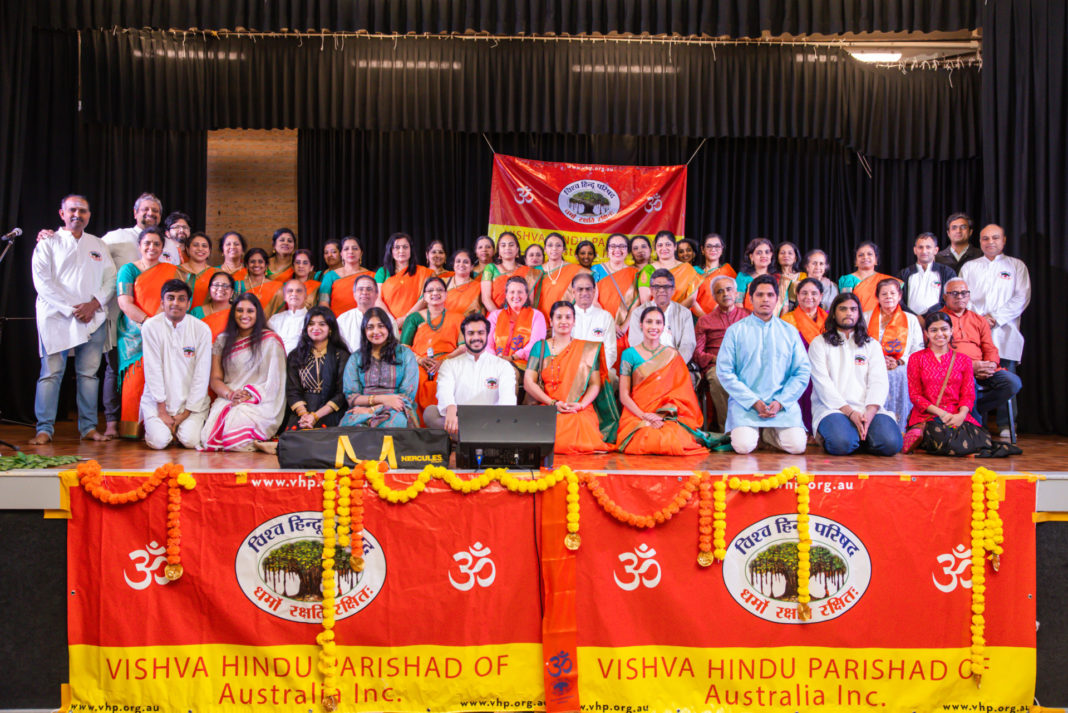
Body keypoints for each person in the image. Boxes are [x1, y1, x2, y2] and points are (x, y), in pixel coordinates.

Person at [29, 195, 115, 444]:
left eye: (83, 210)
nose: (78, 214)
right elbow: (42, 283)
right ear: (62, 214)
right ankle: (44, 429)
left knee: (89, 375)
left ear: (89, 215)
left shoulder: (98, 244)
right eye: (73, 210)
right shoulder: (48, 242)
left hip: (93, 318)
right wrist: (72, 309)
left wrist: (94, 304)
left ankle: (88, 428)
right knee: (51, 373)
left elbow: (111, 279)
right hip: (56, 318)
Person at [716, 275, 810, 455]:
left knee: (797, 446)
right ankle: (760, 433)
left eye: (770, 295)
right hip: (747, 405)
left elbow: (802, 371)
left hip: (781, 405)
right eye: (759, 295)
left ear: (777, 299)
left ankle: (767, 435)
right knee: (743, 446)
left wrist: (781, 401)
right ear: (750, 299)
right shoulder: (736, 331)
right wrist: (753, 401)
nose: (765, 299)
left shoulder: (789, 331)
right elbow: (725, 371)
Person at [808, 293, 901, 456]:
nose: (848, 313)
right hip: (833, 409)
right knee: (841, 444)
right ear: (834, 313)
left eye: (853, 309)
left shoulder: (871, 345)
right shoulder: (819, 343)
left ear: (859, 314)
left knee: (891, 444)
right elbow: (823, 385)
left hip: (867, 409)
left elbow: (879, 382)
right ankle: (855, 437)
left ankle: (860, 435)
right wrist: (850, 413)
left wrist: (869, 413)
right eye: (842, 309)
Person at [525, 302, 617, 454]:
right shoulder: (540, 347)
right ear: (551, 321)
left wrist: (581, 405)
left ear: (574, 321)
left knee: (580, 427)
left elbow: (595, 384)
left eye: (568, 317)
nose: (563, 321)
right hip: (548, 407)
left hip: (578, 409)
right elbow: (529, 382)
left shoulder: (587, 349)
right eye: (559, 317)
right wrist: (552, 403)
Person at [115, 226, 182, 438]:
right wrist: (148, 324)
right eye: (147, 243)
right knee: (135, 381)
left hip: (165, 332)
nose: (152, 247)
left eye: (157, 244)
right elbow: (124, 302)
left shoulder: (170, 271)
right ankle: (131, 429)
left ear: (163, 247)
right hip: (135, 334)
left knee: (164, 380)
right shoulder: (128, 270)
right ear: (139, 246)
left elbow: (175, 300)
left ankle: (160, 427)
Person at [200, 294, 288, 451]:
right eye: (240, 310)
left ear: (258, 314)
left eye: (250, 311)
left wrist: (251, 395)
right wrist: (231, 394)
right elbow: (215, 379)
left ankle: (259, 443)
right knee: (207, 439)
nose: (244, 315)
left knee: (233, 439)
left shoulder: (270, 341)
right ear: (233, 313)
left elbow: (276, 382)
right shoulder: (223, 340)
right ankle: (259, 443)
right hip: (229, 397)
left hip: (261, 400)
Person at [934, 278, 1022, 433]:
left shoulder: (978, 319)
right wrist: (968, 366)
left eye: (964, 293)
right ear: (945, 297)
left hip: (982, 367)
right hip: (953, 369)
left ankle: (975, 410)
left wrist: (991, 365)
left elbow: (990, 347)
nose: (960, 297)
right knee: (969, 382)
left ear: (969, 296)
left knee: (1012, 382)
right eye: (954, 293)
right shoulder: (937, 319)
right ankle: (976, 429)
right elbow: (938, 351)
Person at [616, 306, 707, 455]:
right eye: (649, 322)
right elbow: (624, 396)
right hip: (636, 413)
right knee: (643, 440)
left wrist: (660, 415)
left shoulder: (672, 355)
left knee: (673, 439)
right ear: (641, 325)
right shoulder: (629, 354)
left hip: (664, 415)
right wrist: (644, 416)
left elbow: (681, 394)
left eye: (658, 323)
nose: (653, 327)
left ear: (663, 327)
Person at [140, 279, 212, 450]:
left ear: (188, 304)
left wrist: (186, 413)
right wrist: (162, 411)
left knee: (190, 441)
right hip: (157, 403)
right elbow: (153, 369)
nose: (175, 303)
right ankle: (165, 429)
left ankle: (179, 429)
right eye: (170, 298)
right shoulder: (151, 326)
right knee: (159, 442)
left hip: (191, 405)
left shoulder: (201, 329)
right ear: (162, 302)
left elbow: (201, 374)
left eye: (181, 299)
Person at [903, 312, 984, 453]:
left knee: (981, 439)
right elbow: (915, 396)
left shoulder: (963, 360)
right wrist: (942, 414)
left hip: (956, 415)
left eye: (944, 329)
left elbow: (968, 394)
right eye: (934, 330)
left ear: (951, 331)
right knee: (941, 436)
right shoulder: (916, 359)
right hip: (928, 416)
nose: (939, 334)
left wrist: (961, 415)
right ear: (926, 334)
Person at [427, 314, 518, 435]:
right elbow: (444, 390)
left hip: (492, 423)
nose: (476, 337)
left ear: (487, 335)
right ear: (464, 336)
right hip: (459, 421)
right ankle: (471, 437)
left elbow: (507, 400)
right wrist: (450, 407)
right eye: (470, 333)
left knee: (510, 418)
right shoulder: (450, 364)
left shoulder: (503, 365)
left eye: (480, 333)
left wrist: (499, 420)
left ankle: (467, 440)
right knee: (430, 413)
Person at [960, 224, 1031, 372]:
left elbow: (1021, 298)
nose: (990, 241)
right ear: (980, 242)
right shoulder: (969, 267)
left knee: (1006, 388)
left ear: (1003, 240)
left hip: (1005, 336)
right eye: (985, 238)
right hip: (973, 336)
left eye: (995, 237)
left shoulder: (1016, 266)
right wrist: (980, 320)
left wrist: (994, 318)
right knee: (972, 389)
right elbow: (961, 298)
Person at [340, 307, 419, 428]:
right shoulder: (356, 357)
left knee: (392, 426)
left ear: (388, 328)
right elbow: (352, 397)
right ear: (364, 331)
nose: (376, 331)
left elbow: (407, 396)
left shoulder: (405, 354)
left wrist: (375, 409)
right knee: (348, 427)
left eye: (381, 326)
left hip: (396, 409)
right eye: (370, 327)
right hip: (362, 410)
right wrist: (377, 404)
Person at [401, 277, 466, 422]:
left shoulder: (458, 318)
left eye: (439, 290)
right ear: (424, 296)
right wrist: (420, 360)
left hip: (449, 362)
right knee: (416, 380)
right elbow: (404, 347)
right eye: (430, 290)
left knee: (450, 380)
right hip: (419, 364)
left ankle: (449, 430)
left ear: (446, 294)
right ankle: (418, 430)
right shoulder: (414, 318)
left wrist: (442, 361)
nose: (435, 293)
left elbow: (463, 347)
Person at [864, 279, 924, 433]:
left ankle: (900, 427)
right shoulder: (865, 317)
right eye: (884, 294)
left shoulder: (911, 319)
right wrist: (877, 361)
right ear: (877, 297)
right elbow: (859, 344)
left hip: (901, 366)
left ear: (899, 296)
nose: (888, 297)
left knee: (901, 374)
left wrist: (899, 362)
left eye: (892, 293)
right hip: (871, 365)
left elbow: (918, 349)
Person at [694, 276, 750, 431]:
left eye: (728, 289)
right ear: (714, 297)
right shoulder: (705, 321)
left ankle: (754, 428)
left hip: (746, 364)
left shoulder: (748, 316)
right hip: (717, 366)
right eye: (720, 291)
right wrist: (716, 359)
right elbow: (697, 353)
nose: (725, 294)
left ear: (736, 293)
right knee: (718, 379)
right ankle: (730, 430)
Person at [284, 306, 350, 430]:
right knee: (293, 440)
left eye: (322, 324)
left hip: (330, 410)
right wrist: (305, 415)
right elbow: (293, 391)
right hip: (302, 411)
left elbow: (342, 393)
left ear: (330, 328)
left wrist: (315, 416)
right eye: (311, 324)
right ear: (306, 328)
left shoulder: (341, 355)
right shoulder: (295, 356)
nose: (316, 328)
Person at [781, 277, 829, 434]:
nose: (809, 297)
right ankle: (800, 429)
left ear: (821, 296)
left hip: (825, 367)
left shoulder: (829, 319)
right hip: (797, 368)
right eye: (804, 293)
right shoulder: (787, 319)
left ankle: (823, 429)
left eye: (814, 293)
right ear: (797, 295)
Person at [627, 269, 696, 365]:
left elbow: (688, 345)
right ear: (651, 290)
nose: (661, 290)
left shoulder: (684, 313)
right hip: (647, 365)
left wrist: (675, 364)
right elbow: (636, 342)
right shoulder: (638, 313)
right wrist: (654, 364)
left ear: (673, 290)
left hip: (676, 364)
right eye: (657, 287)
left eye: (666, 287)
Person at [593, 234, 642, 366]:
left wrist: (625, 325)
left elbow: (637, 303)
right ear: (607, 250)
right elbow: (593, 301)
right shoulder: (596, 270)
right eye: (613, 246)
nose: (617, 250)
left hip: (627, 329)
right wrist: (611, 324)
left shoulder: (635, 273)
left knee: (625, 365)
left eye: (622, 246)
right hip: (602, 325)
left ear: (627, 250)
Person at [487, 276, 547, 372]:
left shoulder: (537, 316)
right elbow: (487, 343)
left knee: (509, 373)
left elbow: (535, 345)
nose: (516, 296)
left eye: (520, 292)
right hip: (493, 362)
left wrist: (512, 357)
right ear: (506, 295)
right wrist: (496, 359)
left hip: (523, 364)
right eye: (512, 292)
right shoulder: (495, 316)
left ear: (526, 295)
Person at [376, 232, 434, 322]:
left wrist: (405, 319)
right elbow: (377, 298)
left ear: (411, 250)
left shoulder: (424, 273)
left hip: (415, 322)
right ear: (390, 250)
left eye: (405, 247)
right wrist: (391, 321)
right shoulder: (382, 272)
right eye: (397, 247)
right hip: (388, 323)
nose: (401, 251)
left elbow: (424, 298)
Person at [570, 273, 617, 380]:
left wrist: (593, 371)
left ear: (594, 291)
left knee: (612, 378)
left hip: (599, 371)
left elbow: (611, 351)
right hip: (571, 370)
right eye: (580, 289)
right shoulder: (565, 316)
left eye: (588, 289)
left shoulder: (605, 316)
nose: (584, 293)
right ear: (573, 292)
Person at [899, 232, 956, 317]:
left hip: (939, 321)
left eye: (928, 247)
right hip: (910, 321)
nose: (924, 251)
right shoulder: (904, 274)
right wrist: (915, 318)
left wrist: (928, 316)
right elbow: (898, 298)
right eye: (920, 247)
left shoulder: (947, 272)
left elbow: (950, 298)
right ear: (915, 250)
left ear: (936, 250)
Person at [481, 232, 541, 312]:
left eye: (511, 245)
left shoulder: (528, 272)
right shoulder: (490, 268)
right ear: (498, 250)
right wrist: (499, 318)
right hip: (496, 319)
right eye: (503, 245)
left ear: (517, 249)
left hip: (521, 319)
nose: (507, 248)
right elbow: (486, 299)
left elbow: (530, 302)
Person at [338, 274, 397, 352]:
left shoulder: (388, 319)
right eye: (360, 289)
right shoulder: (343, 319)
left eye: (369, 289)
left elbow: (395, 347)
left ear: (376, 295)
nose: (365, 292)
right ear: (354, 294)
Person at [837, 241, 899, 313]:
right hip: (857, 320)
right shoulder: (848, 280)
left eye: (869, 254)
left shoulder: (886, 280)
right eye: (860, 255)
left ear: (876, 260)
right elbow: (846, 304)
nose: (865, 257)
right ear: (855, 261)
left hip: (882, 319)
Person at [319, 236, 373, 314]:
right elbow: (323, 303)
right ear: (341, 253)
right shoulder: (330, 276)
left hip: (365, 320)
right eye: (346, 249)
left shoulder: (371, 276)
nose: (350, 251)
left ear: (361, 253)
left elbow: (376, 302)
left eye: (355, 248)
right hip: (337, 322)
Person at [537, 232, 584, 318]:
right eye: (550, 245)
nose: (554, 248)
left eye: (558, 245)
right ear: (545, 249)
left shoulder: (575, 270)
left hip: (566, 319)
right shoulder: (536, 271)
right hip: (540, 319)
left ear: (564, 249)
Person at [692, 233, 738, 317]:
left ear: (722, 249)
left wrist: (715, 318)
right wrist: (705, 318)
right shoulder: (693, 271)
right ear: (702, 249)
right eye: (709, 246)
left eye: (717, 246)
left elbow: (733, 296)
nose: (713, 249)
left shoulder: (728, 270)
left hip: (722, 317)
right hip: (697, 318)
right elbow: (690, 297)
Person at [650, 231, 699, 308]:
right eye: (660, 245)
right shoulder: (649, 269)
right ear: (655, 248)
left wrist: (673, 313)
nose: (664, 248)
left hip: (681, 316)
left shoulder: (687, 269)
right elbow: (645, 301)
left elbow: (691, 299)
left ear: (675, 246)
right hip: (654, 316)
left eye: (668, 244)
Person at [734, 238, 778, 313]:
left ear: (771, 255)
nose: (763, 256)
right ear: (751, 257)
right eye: (759, 253)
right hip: (748, 320)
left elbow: (783, 307)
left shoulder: (777, 278)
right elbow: (738, 303)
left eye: (767, 252)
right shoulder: (743, 277)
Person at [267, 279, 309, 354]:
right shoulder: (275, 319)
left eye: (299, 291)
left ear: (306, 296)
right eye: (290, 291)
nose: (294, 294)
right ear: (284, 297)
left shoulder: (312, 319)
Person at [177, 232, 218, 309]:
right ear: (187, 249)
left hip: (207, 318)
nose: (200, 249)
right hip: (180, 317)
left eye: (204, 246)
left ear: (209, 251)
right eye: (195, 245)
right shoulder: (177, 270)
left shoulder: (217, 273)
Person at [189, 271, 235, 340]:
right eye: (216, 285)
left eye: (225, 286)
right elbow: (189, 337)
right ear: (209, 289)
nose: (220, 288)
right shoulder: (197, 312)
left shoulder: (237, 312)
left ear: (232, 292)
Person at [236, 248, 282, 315]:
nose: (256, 265)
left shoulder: (277, 287)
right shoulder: (238, 285)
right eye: (252, 262)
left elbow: (280, 313)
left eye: (260, 262)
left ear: (266, 265)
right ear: (247, 265)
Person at [444, 249, 483, 317]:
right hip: (445, 325)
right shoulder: (443, 283)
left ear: (471, 267)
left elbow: (482, 312)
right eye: (458, 261)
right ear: (453, 265)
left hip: (469, 326)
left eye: (466, 262)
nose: (461, 264)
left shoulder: (479, 287)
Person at [774, 241, 807, 312]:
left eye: (790, 253)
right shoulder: (773, 277)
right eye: (782, 253)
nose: (786, 255)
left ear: (795, 258)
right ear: (777, 257)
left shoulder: (802, 276)